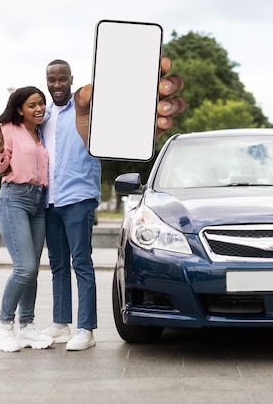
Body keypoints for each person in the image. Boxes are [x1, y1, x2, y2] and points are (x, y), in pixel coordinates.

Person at [40, 57, 185, 351]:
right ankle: (60, 322)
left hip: (78, 197)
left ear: (71, 79)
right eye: (52, 79)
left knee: (81, 263)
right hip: (49, 199)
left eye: (62, 79)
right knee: (57, 265)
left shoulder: (88, 112)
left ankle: (85, 329)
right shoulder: (42, 117)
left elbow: (117, 124)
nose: (57, 84)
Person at [0, 86, 55, 353]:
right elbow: (0, 167)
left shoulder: (39, 134)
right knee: (24, 267)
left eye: (41, 104)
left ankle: (26, 327)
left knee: (33, 270)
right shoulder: (8, 130)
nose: (39, 109)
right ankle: (3, 324)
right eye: (32, 105)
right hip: (13, 199)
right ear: (19, 109)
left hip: (38, 202)